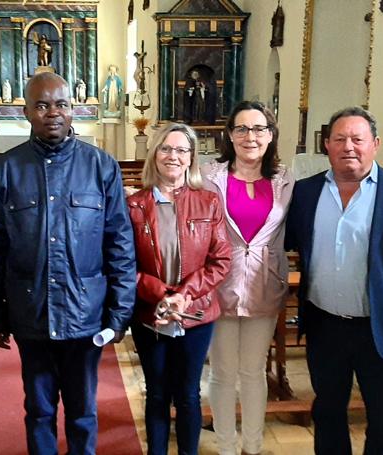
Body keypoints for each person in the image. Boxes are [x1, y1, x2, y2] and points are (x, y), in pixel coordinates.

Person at [0, 72, 136, 455]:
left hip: (86, 313)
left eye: (61, 104)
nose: (53, 113)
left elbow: (120, 243)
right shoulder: (8, 168)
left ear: (72, 109)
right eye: (42, 105)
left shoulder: (101, 166)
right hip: (32, 312)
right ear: (27, 112)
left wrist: (120, 312)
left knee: (83, 412)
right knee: (39, 409)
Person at [285, 106, 383, 455]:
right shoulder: (305, 193)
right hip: (325, 327)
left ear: (376, 144)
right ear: (327, 144)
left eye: (358, 139)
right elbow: (277, 240)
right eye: (339, 139)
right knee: (327, 415)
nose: (348, 146)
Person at [127, 122, 231, 455]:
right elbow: (123, 266)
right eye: (166, 148)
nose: (174, 156)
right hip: (149, 314)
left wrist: (184, 296)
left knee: (188, 394)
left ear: (191, 158)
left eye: (182, 150)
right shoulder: (134, 206)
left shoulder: (209, 201)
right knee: (156, 392)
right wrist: (161, 296)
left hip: (197, 313)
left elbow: (221, 260)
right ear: (154, 154)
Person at [202, 101, 294, 455]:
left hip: (265, 284)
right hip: (221, 283)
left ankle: (252, 447)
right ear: (230, 135)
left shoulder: (285, 179)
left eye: (258, 129)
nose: (250, 136)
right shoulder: (210, 176)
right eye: (241, 129)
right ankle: (226, 447)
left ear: (270, 136)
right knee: (223, 372)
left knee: (254, 372)